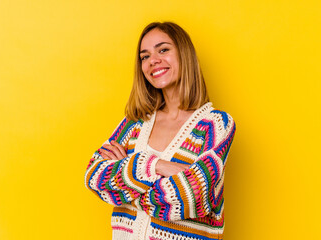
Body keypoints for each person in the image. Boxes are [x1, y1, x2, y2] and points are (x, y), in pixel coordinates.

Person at [85, 21, 236, 240]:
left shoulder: (215, 125)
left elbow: (196, 194)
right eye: (144, 56)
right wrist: (157, 165)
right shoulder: (134, 122)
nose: (153, 61)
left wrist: (125, 182)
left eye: (163, 50)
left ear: (184, 54)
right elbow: (94, 176)